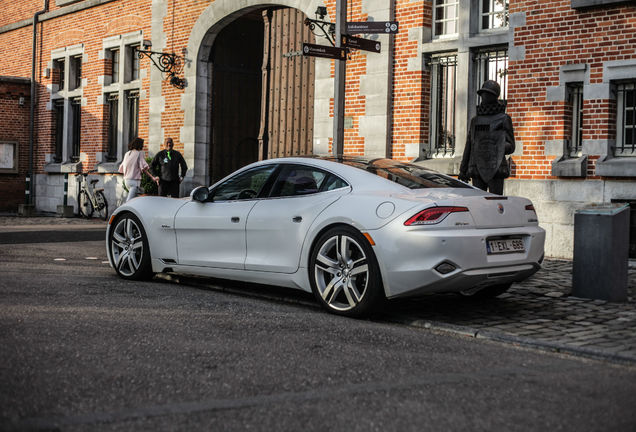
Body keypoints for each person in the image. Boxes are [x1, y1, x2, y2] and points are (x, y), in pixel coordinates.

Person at [459, 80, 515, 195]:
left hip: (496, 166)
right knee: (479, 202)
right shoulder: (476, 120)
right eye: (483, 94)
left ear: (494, 96)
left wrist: (497, 146)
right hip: (476, 167)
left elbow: (511, 145)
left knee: (496, 202)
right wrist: (462, 170)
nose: (484, 97)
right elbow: (469, 145)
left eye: (487, 94)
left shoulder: (504, 119)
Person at [119, 137, 158, 202]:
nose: (143, 146)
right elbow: (144, 168)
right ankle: (122, 212)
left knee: (136, 201)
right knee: (129, 202)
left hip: (126, 181)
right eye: (142, 144)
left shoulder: (127, 153)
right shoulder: (139, 153)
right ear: (139, 145)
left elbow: (122, 167)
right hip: (135, 182)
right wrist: (152, 177)